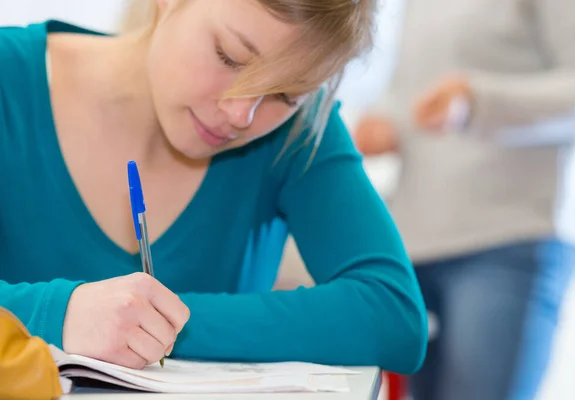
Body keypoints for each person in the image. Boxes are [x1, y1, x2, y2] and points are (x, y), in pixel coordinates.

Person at [0, 0, 429, 373]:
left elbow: (393, 315)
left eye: (285, 93)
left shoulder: (300, 131)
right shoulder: (8, 78)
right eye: (230, 57)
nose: (241, 114)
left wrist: (152, 324)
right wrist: (61, 315)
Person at [354, 0, 575, 399]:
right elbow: (413, 92)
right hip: (420, 239)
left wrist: (478, 101)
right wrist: (388, 121)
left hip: (510, 236)